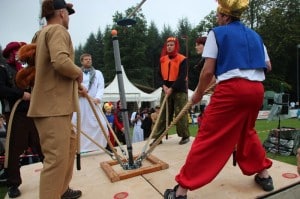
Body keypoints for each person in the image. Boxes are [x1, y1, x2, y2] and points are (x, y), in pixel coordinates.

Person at [164, 0, 274, 198]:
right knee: (246, 131)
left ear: (225, 16)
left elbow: (207, 72)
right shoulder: (256, 36)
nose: (217, 19)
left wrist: (197, 94)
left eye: (217, 15)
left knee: (208, 134)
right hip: (257, 89)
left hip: (232, 90)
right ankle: (264, 175)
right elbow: (268, 66)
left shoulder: (217, 33)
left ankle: (181, 190)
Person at [27, 0, 83, 198]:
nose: (68, 18)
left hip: (53, 105)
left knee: (69, 144)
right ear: (61, 13)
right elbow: (60, 61)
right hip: (53, 107)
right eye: (67, 13)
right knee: (56, 159)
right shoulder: (58, 31)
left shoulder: (40, 33)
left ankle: (61, 190)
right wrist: (78, 73)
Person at [0, 42, 44, 198]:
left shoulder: (24, 70)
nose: (19, 56)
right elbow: (1, 90)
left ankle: (54, 176)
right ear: (11, 53)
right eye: (17, 53)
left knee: (41, 145)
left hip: (30, 113)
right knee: (13, 150)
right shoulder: (3, 69)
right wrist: (21, 95)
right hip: (14, 115)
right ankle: (13, 184)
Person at [151, 37, 190, 146]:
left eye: (172, 45)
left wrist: (172, 88)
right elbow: (158, 75)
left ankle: (185, 135)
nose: (169, 47)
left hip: (179, 90)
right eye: (168, 45)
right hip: (165, 88)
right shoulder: (162, 59)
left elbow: (182, 76)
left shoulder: (183, 59)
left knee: (180, 113)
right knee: (163, 114)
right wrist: (163, 86)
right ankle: (158, 137)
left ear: (176, 46)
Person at [72, 53, 108, 153]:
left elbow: (101, 87)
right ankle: (79, 148)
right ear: (82, 61)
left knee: (102, 124)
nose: (88, 61)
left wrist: (98, 98)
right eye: (86, 59)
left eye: (90, 59)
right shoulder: (77, 73)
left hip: (93, 103)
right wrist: (79, 93)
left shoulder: (98, 73)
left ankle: (100, 145)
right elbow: (73, 86)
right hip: (81, 102)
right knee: (76, 123)